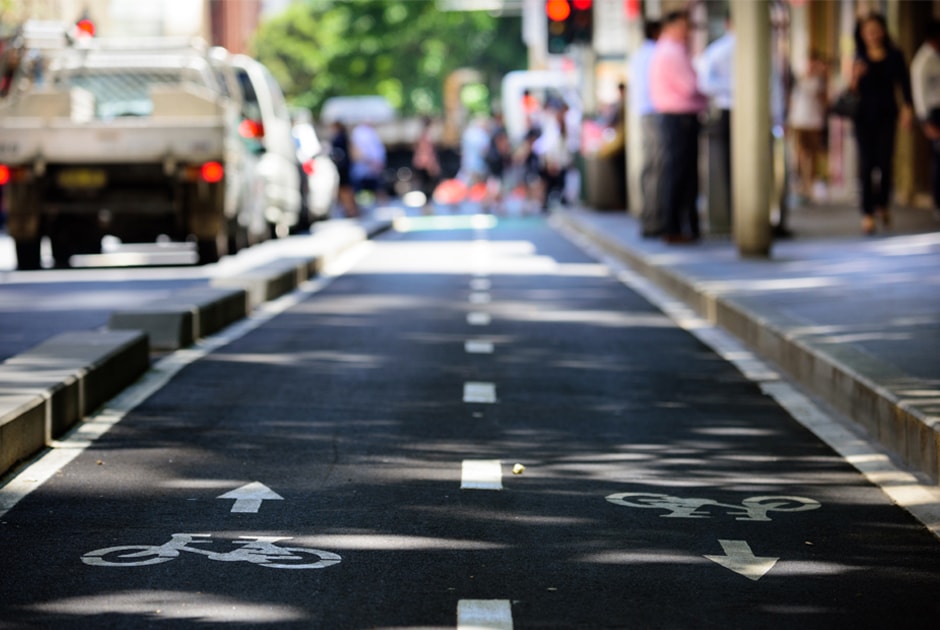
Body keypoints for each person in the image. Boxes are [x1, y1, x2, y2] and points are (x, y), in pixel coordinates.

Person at [850, 12, 913, 235]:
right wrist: (855, 77)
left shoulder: (895, 56)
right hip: (863, 117)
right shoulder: (858, 56)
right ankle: (867, 213)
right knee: (867, 164)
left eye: (876, 30)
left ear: (884, 31)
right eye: (868, 32)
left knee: (885, 163)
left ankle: (883, 204)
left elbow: (905, 85)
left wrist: (907, 108)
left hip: (887, 115)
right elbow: (851, 91)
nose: (873, 35)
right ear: (862, 35)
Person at [649, 10, 707, 243]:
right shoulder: (672, 51)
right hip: (680, 118)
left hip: (676, 117)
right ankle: (677, 226)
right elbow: (691, 85)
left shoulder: (666, 50)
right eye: (684, 26)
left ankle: (682, 225)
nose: (687, 32)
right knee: (681, 174)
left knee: (679, 173)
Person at [696, 15, 734, 222]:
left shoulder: (716, 50)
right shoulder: (719, 50)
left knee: (728, 165)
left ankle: (732, 211)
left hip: (726, 109)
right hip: (731, 110)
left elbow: (705, 84)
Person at [629, 20, 663, 236]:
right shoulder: (655, 54)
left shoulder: (639, 54)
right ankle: (654, 217)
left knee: (650, 165)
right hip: (655, 111)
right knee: (657, 165)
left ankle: (649, 216)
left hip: (644, 112)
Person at [787, 50, 829, 203]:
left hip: (814, 121)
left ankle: (809, 184)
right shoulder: (799, 80)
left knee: (811, 154)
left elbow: (825, 100)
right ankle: (801, 183)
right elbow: (791, 100)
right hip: (799, 121)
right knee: (801, 153)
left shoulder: (820, 81)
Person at [910, 19, 940, 221]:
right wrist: (926, 121)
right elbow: (919, 94)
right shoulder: (922, 62)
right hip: (933, 113)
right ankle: (938, 202)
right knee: (938, 160)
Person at [350, 121, 387, 204]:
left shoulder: (369, 133)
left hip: (370, 165)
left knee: (377, 188)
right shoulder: (360, 133)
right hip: (364, 166)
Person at [329, 121, 359, 218]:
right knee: (345, 189)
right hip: (345, 166)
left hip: (343, 166)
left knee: (345, 189)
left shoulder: (340, 137)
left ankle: (351, 210)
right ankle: (350, 209)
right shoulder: (344, 137)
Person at [412, 116, 441, 213]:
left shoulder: (421, 134)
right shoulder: (426, 135)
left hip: (421, 163)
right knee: (428, 185)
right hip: (424, 164)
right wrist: (431, 165)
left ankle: (427, 206)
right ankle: (426, 206)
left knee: (425, 184)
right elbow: (426, 151)